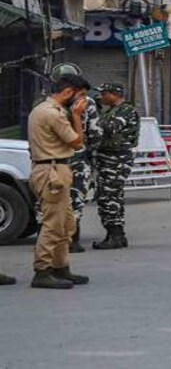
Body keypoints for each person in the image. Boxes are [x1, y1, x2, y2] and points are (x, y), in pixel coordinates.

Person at [27, 73, 91, 289]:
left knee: (66, 223)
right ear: (67, 92)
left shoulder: (46, 110)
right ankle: (42, 270)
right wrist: (77, 116)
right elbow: (76, 142)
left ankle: (60, 266)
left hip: (55, 167)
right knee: (54, 224)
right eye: (80, 96)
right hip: (51, 170)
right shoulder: (52, 114)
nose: (82, 101)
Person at [92, 83, 140, 250]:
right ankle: (116, 235)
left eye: (104, 93)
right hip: (108, 159)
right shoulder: (111, 111)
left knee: (109, 197)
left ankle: (115, 236)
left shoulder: (126, 110)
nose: (101, 97)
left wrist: (93, 116)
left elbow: (111, 128)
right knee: (110, 197)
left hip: (117, 160)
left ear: (114, 94)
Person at [68, 86, 102, 254]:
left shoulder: (45, 104)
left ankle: (45, 239)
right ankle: (72, 241)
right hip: (78, 158)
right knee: (75, 200)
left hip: (51, 160)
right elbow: (96, 133)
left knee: (48, 202)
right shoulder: (87, 103)